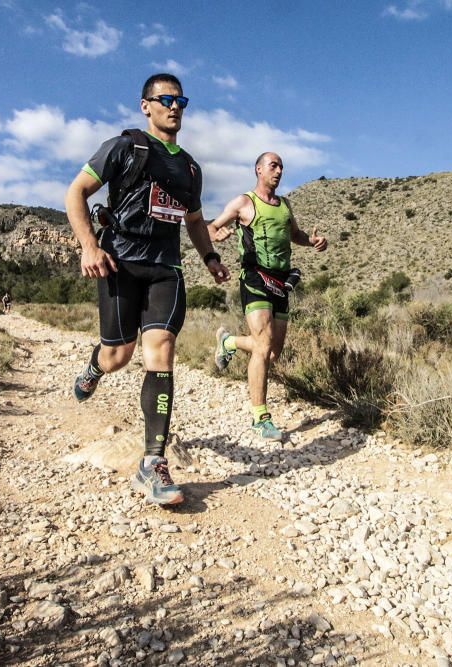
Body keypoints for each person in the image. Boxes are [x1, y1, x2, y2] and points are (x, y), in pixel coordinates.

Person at [64, 73, 230, 505]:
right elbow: (76, 193)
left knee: (161, 350)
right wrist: (88, 246)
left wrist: (209, 257)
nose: (175, 107)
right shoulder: (125, 147)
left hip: (165, 268)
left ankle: (152, 461)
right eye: (166, 99)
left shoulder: (191, 167)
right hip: (118, 262)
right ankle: (95, 367)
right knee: (118, 355)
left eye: (181, 101)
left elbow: (194, 221)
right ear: (146, 105)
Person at [207, 152, 327, 440]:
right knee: (262, 347)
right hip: (255, 278)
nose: (279, 170)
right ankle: (261, 417)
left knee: (272, 352)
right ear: (258, 169)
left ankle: (229, 341)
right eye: (273, 165)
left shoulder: (285, 205)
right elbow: (210, 226)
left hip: (281, 282)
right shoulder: (244, 202)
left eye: (282, 166)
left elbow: (294, 234)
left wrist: (312, 242)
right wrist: (216, 234)